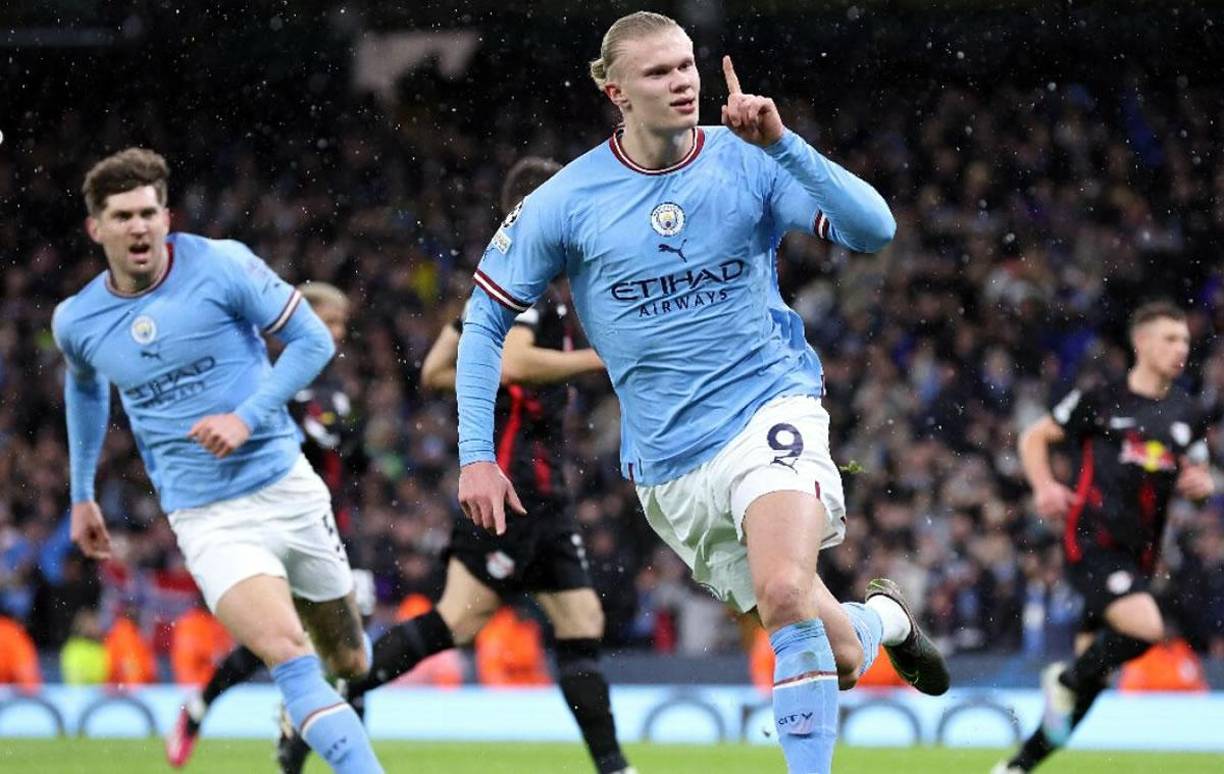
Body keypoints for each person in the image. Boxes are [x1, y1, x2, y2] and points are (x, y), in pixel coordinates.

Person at [454, 12, 948, 774]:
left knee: (785, 592)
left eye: (687, 65)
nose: (682, 81)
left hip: (769, 407)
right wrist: (476, 455)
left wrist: (783, 143)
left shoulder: (747, 159)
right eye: (659, 72)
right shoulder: (567, 198)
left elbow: (873, 229)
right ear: (616, 90)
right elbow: (484, 321)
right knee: (838, 654)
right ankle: (882, 619)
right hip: (669, 464)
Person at [54, 148, 382, 773]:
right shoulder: (77, 321)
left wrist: (246, 417)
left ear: (167, 215)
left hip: (287, 486)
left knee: (350, 661)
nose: (139, 227)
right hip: (207, 515)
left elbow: (312, 339)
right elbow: (86, 388)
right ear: (97, 228)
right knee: (290, 653)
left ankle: (301, 712)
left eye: (149, 212)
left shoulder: (223, 263)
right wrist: (80, 493)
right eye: (122, 216)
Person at [341, 156, 636, 774]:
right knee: (457, 622)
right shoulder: (531, 293)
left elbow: (435, 370)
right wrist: (599, 358)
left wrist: (490, 377)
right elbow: (518, 365)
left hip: (543, 492)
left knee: (581, 619)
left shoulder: (494, 291)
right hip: (514, 486)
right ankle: (339, 691)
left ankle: (614, 767)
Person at [994, 301, 1215, 773]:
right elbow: (1035, 437)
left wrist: (1204, 485)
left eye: (1185, 342)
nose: (1181, 349)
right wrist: (1044, 486)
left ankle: (1017, 766)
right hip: (1091, 544)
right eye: (1170, 339)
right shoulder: (1101, 398)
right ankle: (1067, 677)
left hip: (1139, 560)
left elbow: (1198, 473)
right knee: (1147, 629)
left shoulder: (1187, 412)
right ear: (1142, 343)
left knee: (1089, 690)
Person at [163, 281, 373, 773]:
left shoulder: (337, 390)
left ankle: (285, 742)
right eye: (330, 322)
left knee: (350, 653)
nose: (338, 333)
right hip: (272, 526)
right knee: (281, 642)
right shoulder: (270, 386)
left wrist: (348, 437)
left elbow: (354, 459)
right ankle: (203, 712)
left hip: (332, 530)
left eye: (342, 324)